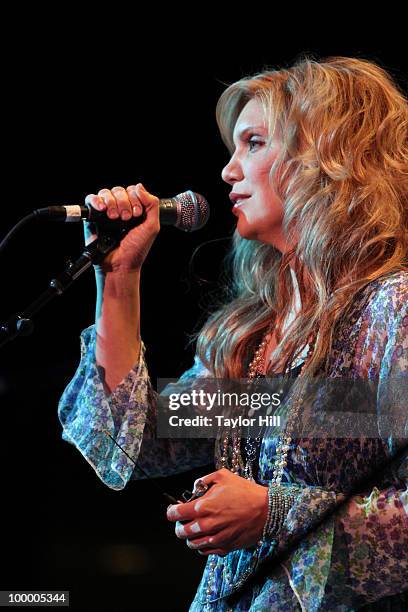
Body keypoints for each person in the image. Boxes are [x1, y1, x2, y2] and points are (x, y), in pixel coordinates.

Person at [58, 56, 408, 610]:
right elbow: (130, 442)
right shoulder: (260, 331)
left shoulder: (393, 311)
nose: (227, 171)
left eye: (253, 143)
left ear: (327, 158)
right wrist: (118, 279)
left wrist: (275, 512)